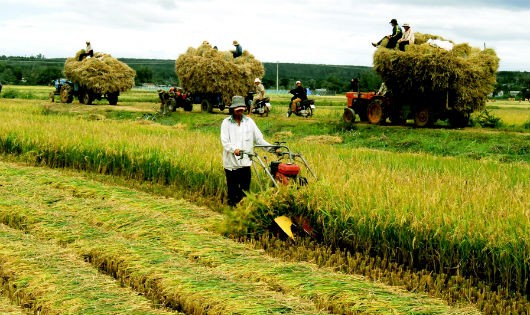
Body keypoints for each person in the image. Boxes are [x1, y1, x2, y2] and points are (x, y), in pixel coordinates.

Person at [221, 95, 273, 207]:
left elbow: (259, 139)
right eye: (237, 110)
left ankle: (243, 213)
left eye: (242, 109)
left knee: (245, 192)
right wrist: (234, 149)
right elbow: (225, 142)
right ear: (233, 109)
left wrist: (272, 148)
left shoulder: (249, 122)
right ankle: (233, 214)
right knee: (233, 192)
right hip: (232, 164)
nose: (240, 112)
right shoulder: (226, 123)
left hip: (246, 163)